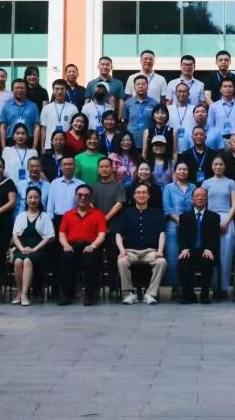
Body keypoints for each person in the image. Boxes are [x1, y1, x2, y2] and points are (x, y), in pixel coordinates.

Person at [115, 183, 167, 304]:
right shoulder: (126, 213)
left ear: (148, 196)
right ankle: (128, 294)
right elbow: (118, 235)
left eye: (144, 192)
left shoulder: (156, 213)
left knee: (162, 262)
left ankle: (150, 293)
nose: (141, 195)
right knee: (121, 261)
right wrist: (122, 250)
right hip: (130, 251)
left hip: (150, 251)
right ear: (134, 196)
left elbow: (162, 233)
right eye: (138, 192)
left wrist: (160, 251)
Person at [10, 187, 55, 306]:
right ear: (26, 199)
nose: (32, 200)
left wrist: (34, 249)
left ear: (40, 199)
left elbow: (47, 238)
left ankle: (25, 294)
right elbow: (15, 236)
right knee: (18, 261)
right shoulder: (20, 216)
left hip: (38, 250)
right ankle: (19, 292)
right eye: (30, 197)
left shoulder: (45, 217)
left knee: (27, 261)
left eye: (36, 197)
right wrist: (21, 249)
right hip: (22, 249)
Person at [201, 156, 235, 299]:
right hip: (210, 218)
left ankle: (223, 288)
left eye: (221, 164)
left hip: (227, 218)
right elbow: (202, 202)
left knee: (226, 254)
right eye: (215, 164)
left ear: (224, 166)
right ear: (211, 166)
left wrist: (227, 221)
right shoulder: (206, 183)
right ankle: (214, 286)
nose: (218, 166)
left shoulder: (230, 182)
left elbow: (234, 204)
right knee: (211, 252)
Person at [176, 188, 220, 304]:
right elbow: (181, 236)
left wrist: (209, 249)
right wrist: (184, 249)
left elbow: (215, 236)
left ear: (207, 199)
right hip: (190, 250)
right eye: (197, 196)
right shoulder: (184, 217)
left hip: (206, 250)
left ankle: (204, 294)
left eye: (203, 196)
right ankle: (188, 294)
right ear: (192, 199)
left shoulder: (214, 216)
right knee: (183, 261)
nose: (200, 198)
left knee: (208, 260)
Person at [91, 157, 126, 299]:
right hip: (96, 229)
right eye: (101, 167)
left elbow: (119, 204)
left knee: (113, 258)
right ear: (98, 169)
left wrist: (104, 220)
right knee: (95, 259)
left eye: (107, 166)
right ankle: (94, 289)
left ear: (112, 168)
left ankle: (113, 288)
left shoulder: (119, 186)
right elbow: (91, 205)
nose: (104, 169)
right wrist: (100, 222)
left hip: (113, 227)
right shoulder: (93, 186)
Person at [162, 162, 197, 291]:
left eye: (185, 169)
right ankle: (175, 287)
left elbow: (196, 205)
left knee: (188, 256)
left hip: (191, 224)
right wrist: (179, 220)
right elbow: (167, 207)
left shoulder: (193, 187)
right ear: (175, 172)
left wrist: (187, 221)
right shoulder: (168, 188)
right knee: (173, 256)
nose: (182, 171)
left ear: (188, 172)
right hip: (173, 224)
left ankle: (187, 286)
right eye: (179, 169)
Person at [0, 78, 41, 150]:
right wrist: (3, 148)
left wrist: (34, 147)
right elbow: (3, 127)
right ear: (12, 90)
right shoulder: (6, 106)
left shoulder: (33, 106)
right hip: (11, 140)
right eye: (16, 88)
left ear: (26, 90)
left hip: (28, 141)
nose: (19, 90)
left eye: (22, 88)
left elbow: (36, 127)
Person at [123, 75, 159, 149]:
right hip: (131, 142)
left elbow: (157, 122)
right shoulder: (128, 103)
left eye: (143, 84)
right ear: (134, 87)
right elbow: (125, 121)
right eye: (138, 84)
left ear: (147, 86)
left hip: (149, 141)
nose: (140, 86)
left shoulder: (154, 103)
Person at [40, 79, 79, 144]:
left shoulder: (73, 108)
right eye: (57, 89)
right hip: (49, 145)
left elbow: (75, 129)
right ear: (53, 91)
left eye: (62, 89)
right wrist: (43, 147)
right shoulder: (46, 108)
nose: (59, 92)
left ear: (66, 91)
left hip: (68, 145)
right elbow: (43, 129)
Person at [2, 123, 35, 187]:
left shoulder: (33, 152)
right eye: (17, 133)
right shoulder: (7, 151)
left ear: (27, 137)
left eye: (23, 133)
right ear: (13, 136)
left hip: (29, 187)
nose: (20, 136)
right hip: (11, 187)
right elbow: (4, 171)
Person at [167, 82, 196, 152]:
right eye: (179, 91)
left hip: (190, 147)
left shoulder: (194, 109)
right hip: (172, 147)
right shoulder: (168, 109)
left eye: (184, 91)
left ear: (188, 94)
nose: (182, 94)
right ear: (175, 93)